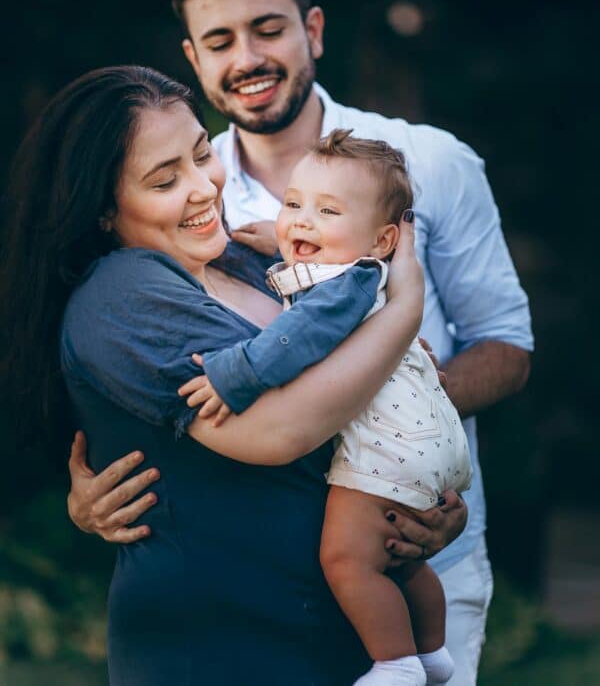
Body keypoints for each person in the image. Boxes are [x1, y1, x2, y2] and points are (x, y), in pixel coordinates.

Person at [66, 0, 533, 684]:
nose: (247, 58)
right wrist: (84, 497)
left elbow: (508, 346)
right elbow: (130, 357)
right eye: (219, 41)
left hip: (430, 547)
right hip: (284, 601)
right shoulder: (191, 188)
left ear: (312, 30)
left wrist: (405, 443)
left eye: (268, 29)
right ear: (191, 57)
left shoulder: (430, 162)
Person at [1, 65, 467, 686]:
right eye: (165, 179)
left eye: (202, 154)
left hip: (333, 642)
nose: (203, 187)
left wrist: (422, 503)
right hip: (226, 647)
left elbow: (369, 397)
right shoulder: (122, 293)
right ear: (104, 210)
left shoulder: (250, 264)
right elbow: (276, 432)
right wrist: (404, 306)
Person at [180, 128, 473, 686]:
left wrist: (233, 375)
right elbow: (311, 251)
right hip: (425, 440)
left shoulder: (343, 287)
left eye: (327, 211)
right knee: (403, 560)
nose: (301, 221)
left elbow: (297, 335)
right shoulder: (362, 275)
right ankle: (433, 653)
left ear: (384, 240)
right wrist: (282, 234)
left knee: (347, 560)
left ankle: (397, 664)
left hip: (387, 446)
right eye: (293, 204)